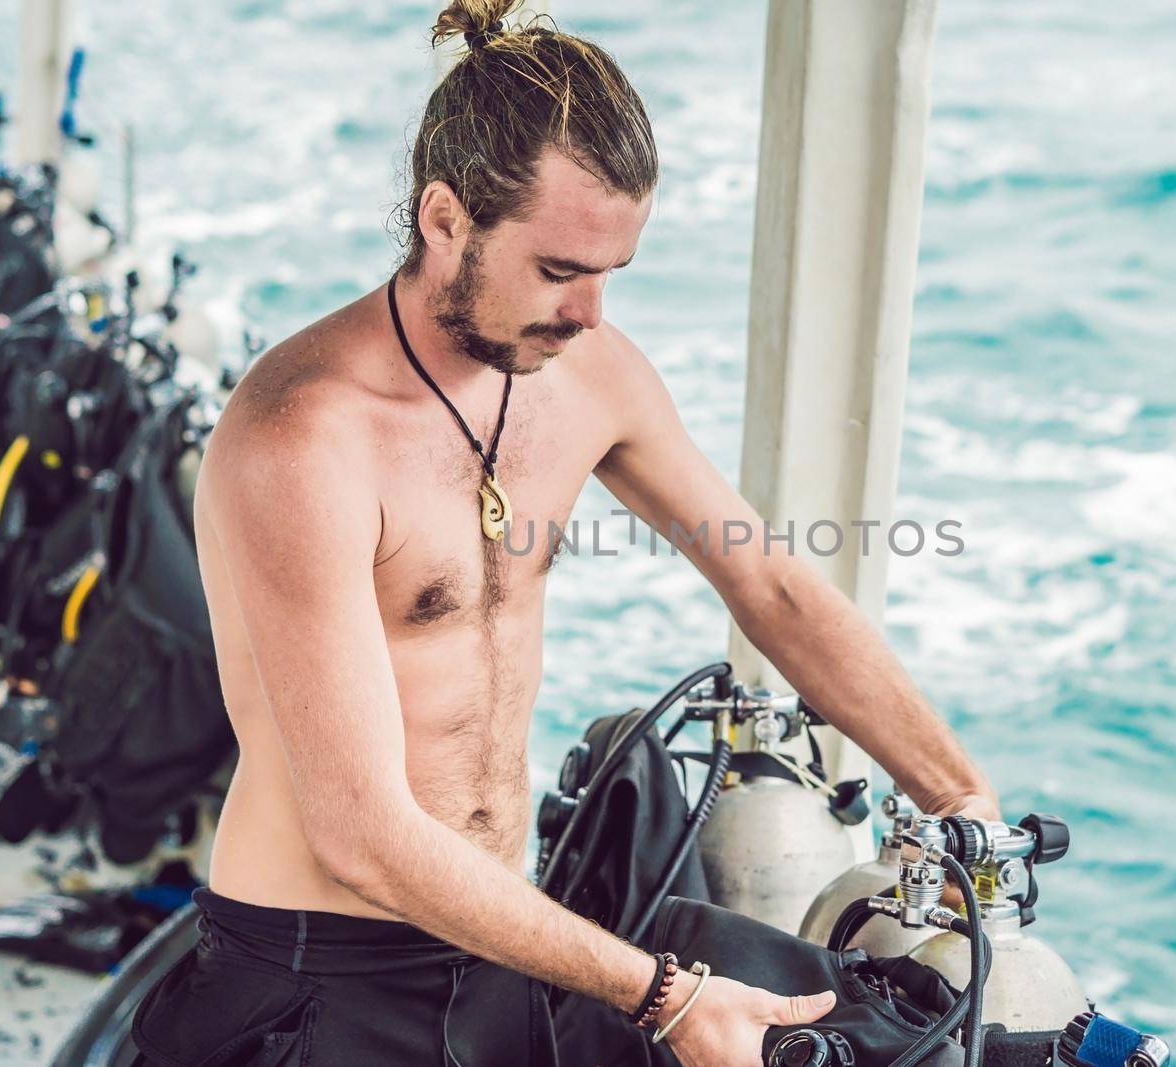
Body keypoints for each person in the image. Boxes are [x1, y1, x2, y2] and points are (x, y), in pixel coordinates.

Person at [130, 2, 1001, 1065]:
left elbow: (768, 585)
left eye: (610, 274)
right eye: (556, 271)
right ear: (445, 220)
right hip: (322, 972)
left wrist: (958, 794)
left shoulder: (588, 373)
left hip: (499, 934)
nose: (589, 312)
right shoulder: (302, 437)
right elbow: (360, 833)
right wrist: (667, 995)